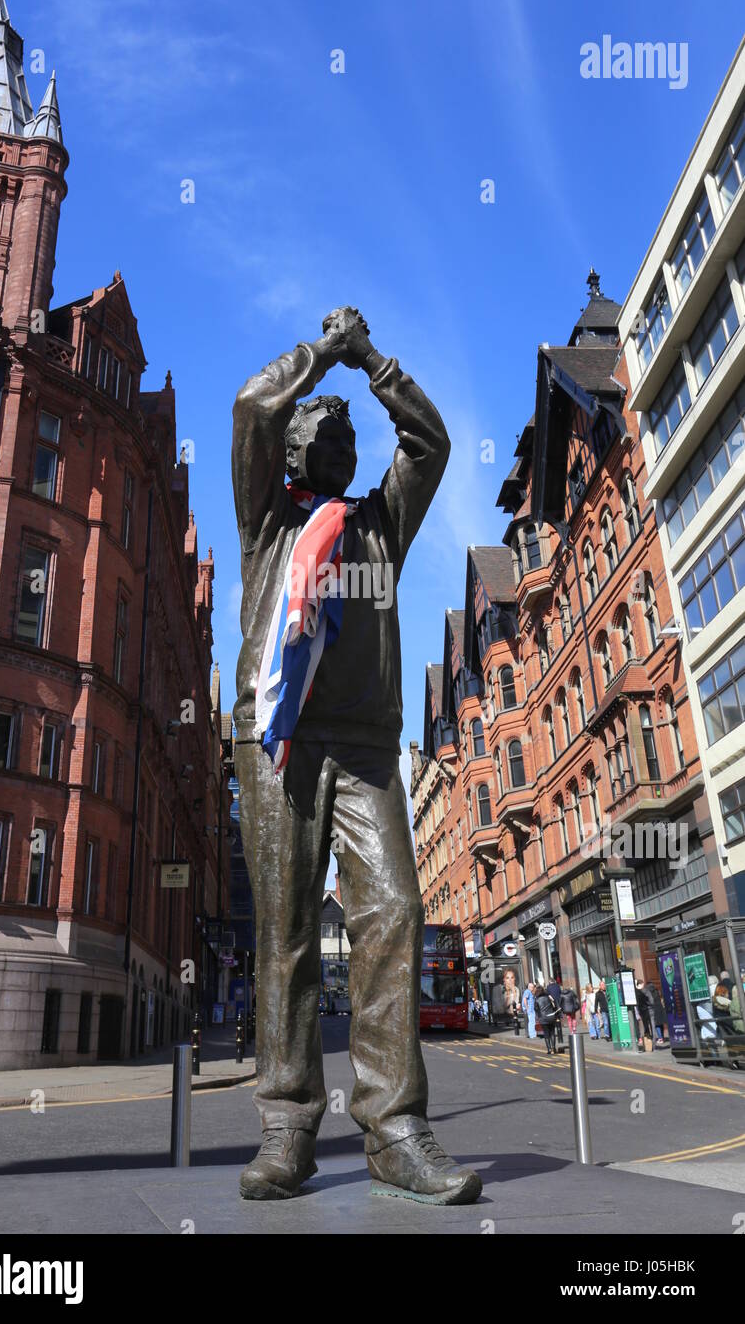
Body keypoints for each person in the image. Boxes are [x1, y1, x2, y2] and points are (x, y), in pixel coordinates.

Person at [232, 307, 481, 1206]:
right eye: (316, 419)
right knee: (287, 930)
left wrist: (371, 360)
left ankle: (396, 1130)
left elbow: (430, 439)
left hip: (370, 749)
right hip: (278, 740)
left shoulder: (380, 522)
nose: (331, 425)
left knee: (395, 914)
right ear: (292, 449)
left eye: (345, 422)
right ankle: (287, 1126)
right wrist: (320, 354)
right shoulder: (266, 518)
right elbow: (252, 407)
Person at [535, 986, 560, 1054]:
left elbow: (536, 1010)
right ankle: (553, 1048)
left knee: (546, 1034)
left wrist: (539, 1016)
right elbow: (553, 1006)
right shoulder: (548, 998)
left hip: (543, 1018)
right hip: (551, 1016)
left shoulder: (537, 1000)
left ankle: (549, 1049)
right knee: (552, 1032)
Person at [644, 979, 668, 1046]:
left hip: (653, 1009)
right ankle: (662, 1037)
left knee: (656, 1024)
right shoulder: (657, 991)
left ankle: (660, 1038)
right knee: (660, 1024)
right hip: (660, 1008)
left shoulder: (648, 993)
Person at [635, 977, 654, 1048]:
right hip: (646, 1009)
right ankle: (649, 1039)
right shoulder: (644, 991)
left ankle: (647, 1036)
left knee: (645, 1024)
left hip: (641, 1010)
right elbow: (650, 1000)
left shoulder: (637, 992)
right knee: (650, 1024)